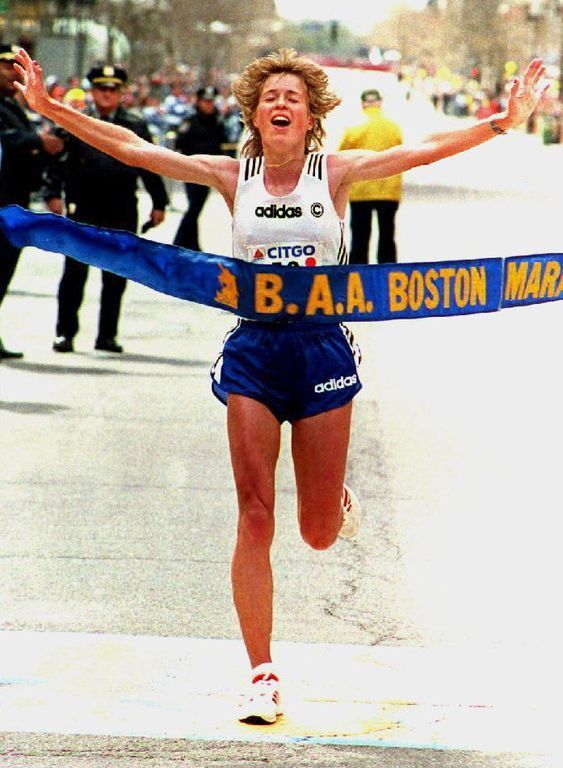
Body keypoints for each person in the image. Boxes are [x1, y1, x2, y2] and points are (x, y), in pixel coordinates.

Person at [13, 47, 547, 723]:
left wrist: (502, 122)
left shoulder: (337, 172)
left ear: (311, 112)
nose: (281, 104)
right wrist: (52, 109)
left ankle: (335, 500)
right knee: (254, 511)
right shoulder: (234, 175)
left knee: (318, 532)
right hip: (255, 352)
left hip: (321, 349)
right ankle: (260, 672)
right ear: (256, 113)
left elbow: (423, 152)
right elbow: (137, 149)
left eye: (293, 95)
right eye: (271, 97)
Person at [44, 64, 169, 354]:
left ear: (121, 93)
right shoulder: (76, 120)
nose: (107, 95)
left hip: (121, 207)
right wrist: (52, 193)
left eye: (113, 89)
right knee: (74, 273)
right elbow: (57, 159)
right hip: (83, 206)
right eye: (102, 89)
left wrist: (159, 202)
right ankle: (66, 333)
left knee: (116, 274)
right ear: (92, 91)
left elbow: (151, 163)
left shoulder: (135, 125)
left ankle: (107, 335)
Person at [0, 43, 63, 360]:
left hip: (14, 202)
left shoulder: (12, 107)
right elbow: (8, 141)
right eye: (7, 67)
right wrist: (38, 141)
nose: (13, 74)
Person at [337, 88, 403, 264]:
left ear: (363, 104)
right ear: (380, 103)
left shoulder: (354, 129)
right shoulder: (393, 128)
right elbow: (401, 155)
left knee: (359, 237)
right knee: (387, 236)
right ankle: (388, 273)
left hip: (360, 192)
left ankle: (359, 276)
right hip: (388, 192)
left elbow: (341, 157)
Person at [172, 86, 227, 250]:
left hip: (209, 171)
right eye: (206, 101)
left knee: (196, 207)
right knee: (194, 207)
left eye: (211, 101)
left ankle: (190, 244)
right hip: (191, 169)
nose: (209, 105)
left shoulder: (217, 121)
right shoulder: (191, 121)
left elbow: (222, 143)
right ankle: (180, 242)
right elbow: (179, 142)